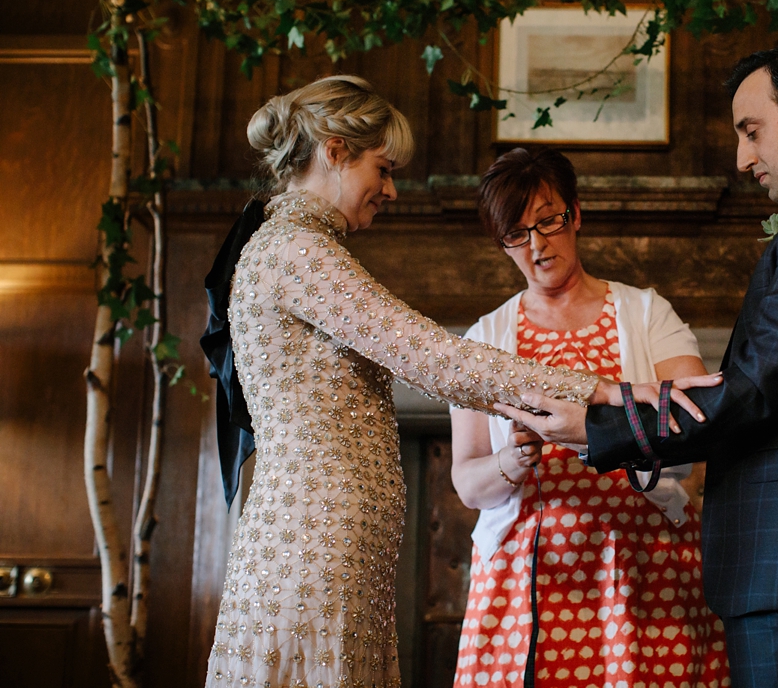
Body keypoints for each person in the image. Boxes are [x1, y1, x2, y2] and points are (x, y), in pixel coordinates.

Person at [201, 76, 716, 688]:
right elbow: (434, 358)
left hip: (335, 536)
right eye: (383, 168)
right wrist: (603, 390)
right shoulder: (295, 252)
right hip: (315, 535)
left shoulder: (298, 247)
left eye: (549, 223)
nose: (390, 189)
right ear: (335, 150)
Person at [502, 42, 778, 688]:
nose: (741, 158)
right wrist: (613, 401)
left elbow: (753, 390)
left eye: (752, 132)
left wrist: (598, 427)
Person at [449, 149, 731, 688]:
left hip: (643, 567)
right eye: (516, 233)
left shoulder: (646, 313)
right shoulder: (483, 340)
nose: (536, 244)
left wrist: (595, 431)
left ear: (575, 215)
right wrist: (510, 459)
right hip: (524, 579)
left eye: (548, 221)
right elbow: (468, 482)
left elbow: (694, 427)